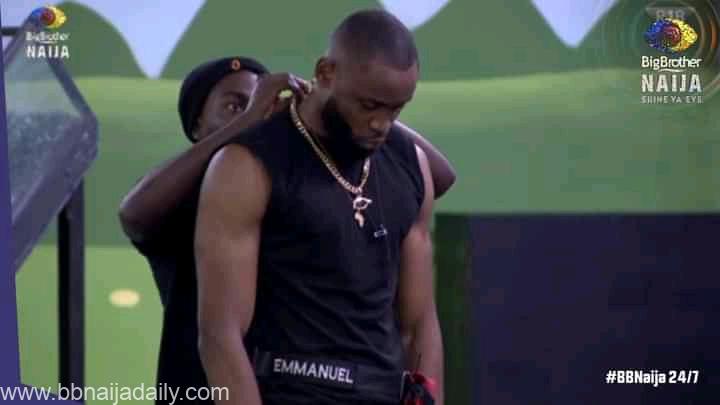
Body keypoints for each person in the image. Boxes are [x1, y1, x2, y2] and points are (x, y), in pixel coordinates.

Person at [118, 54, 454, 403]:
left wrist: (351, 106)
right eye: (234, 106)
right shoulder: (182, 196)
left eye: (263, 102)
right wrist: (248, 120)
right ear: (196, 124)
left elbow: (441, 175)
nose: (258, 112)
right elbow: (134, 214)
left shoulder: (270, 183)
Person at [195, 9, 444, 405]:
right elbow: (220, 335)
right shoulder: (247, 165)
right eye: (369, 105)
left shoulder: (411, 164)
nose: (381, 123)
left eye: (396, 109)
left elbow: (420, 323)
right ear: (326, 72)